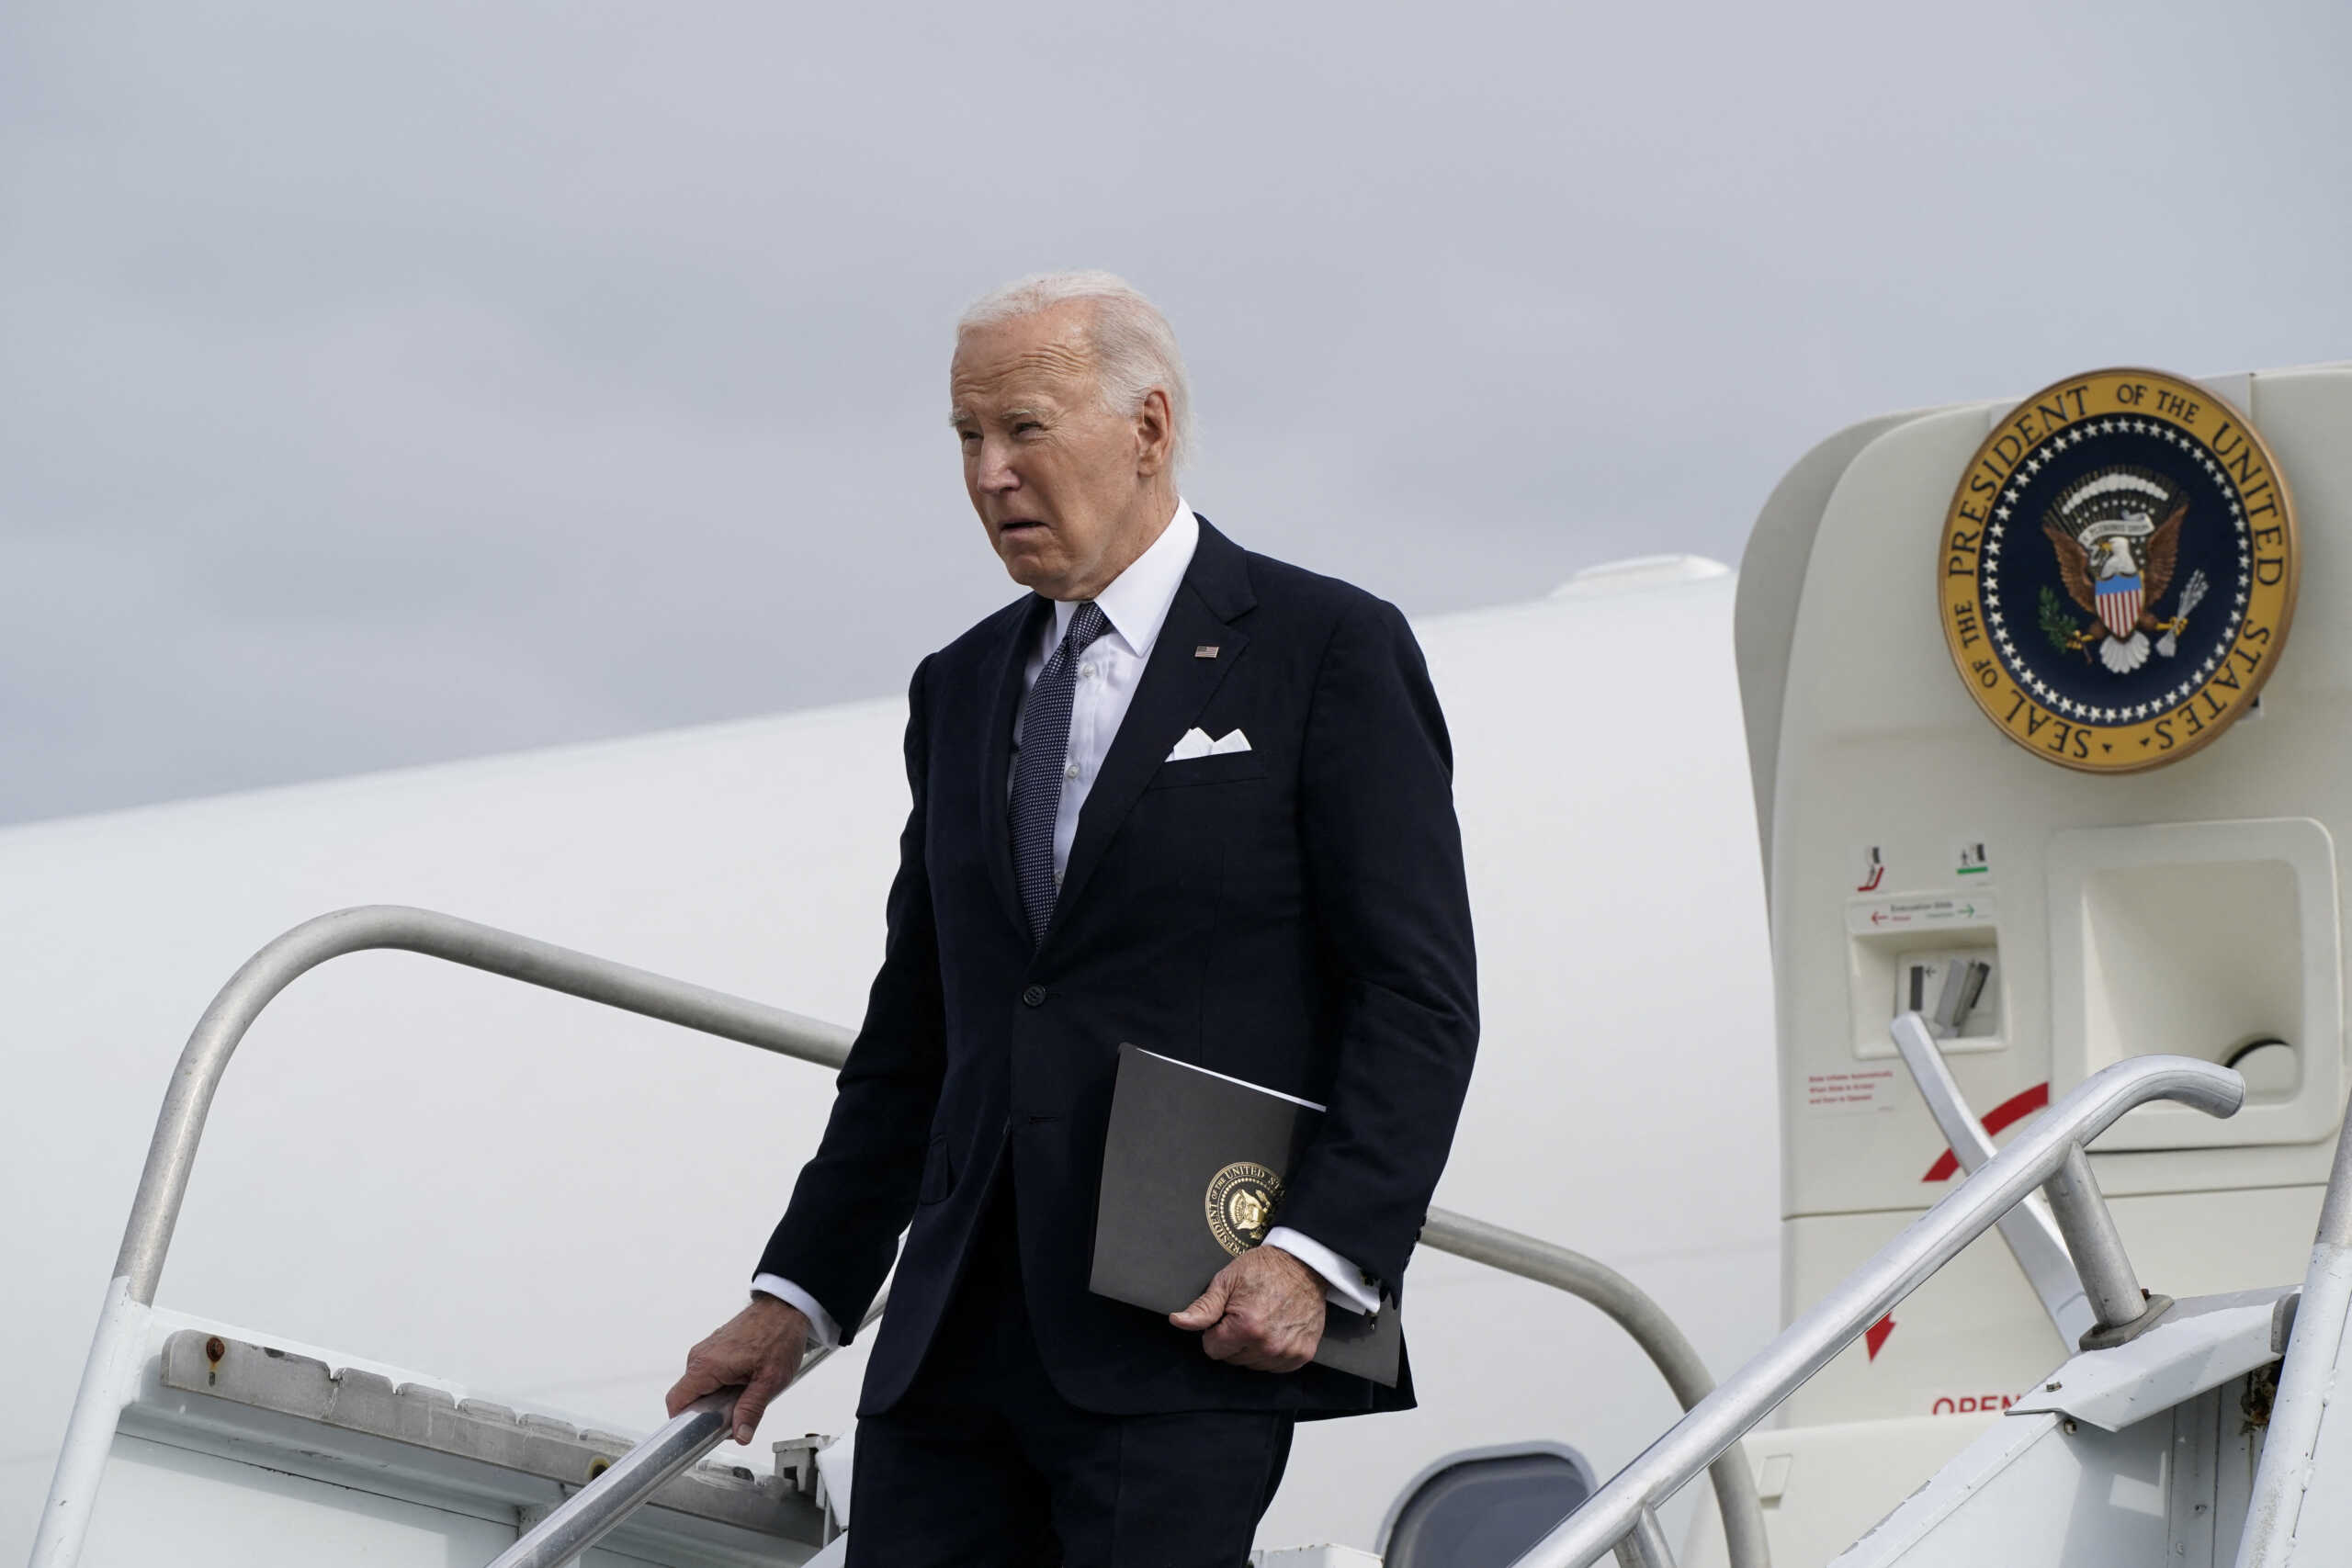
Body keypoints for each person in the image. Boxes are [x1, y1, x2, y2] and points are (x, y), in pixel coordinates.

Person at [667, 270, 1478, 1565]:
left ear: (1148, 430)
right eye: (965, 440)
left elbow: (1417, 997)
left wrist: (1317, 1257)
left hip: (1179, 1319)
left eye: (1024, 429)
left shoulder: (1325, 649)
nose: (990, 475)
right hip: (950, 1343)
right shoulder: (962, 686)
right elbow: (919, 1030)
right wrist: (801, 1294)